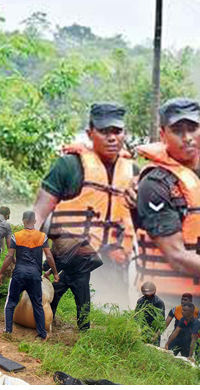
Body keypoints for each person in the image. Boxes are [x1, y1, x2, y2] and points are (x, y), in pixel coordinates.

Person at [134, 98, 200, 361]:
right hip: (168, 300)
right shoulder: (154, 183)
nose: (187, 137)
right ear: (162, 134)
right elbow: (175, 255)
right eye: (177, 130)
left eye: (193, 128)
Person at [34, 103, 138, 330]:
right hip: (78, 270)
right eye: (104, 131)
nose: (112, 138)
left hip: (112, 264)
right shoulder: (69, 166)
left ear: (124, 133)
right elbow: (39, 214)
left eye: (117, 131)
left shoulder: (133, 173)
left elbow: (141, 224)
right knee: (66, 297)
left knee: (89, 305)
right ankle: (61, 326)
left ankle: (98, 334)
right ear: (91, 132)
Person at [0, 210, 60, 341]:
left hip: (19, 275)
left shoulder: (16, 236)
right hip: (34, 276)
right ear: (35, 221)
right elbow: (49, 256)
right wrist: (54, 273)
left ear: (23, 221)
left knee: (10, 303)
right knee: (37, 304)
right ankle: (42, 334)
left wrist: (1, 272)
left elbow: (9, 256)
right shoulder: (42, 236)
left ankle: (8, 331)